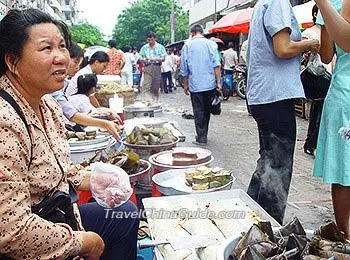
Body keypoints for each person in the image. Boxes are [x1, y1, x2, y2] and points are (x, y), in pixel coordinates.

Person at [0, 8, 138, 259]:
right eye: (46, 48)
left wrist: (96, 180)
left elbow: (58, 168)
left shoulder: (49, 105)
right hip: (24, 237)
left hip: (59, 214)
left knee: (125, 213)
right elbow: (10, 229)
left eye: (62, 46)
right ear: (12, 61)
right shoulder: (5, 120)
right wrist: (81, 242)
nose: (61, 58)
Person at [246, 0, 319, 224]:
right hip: (274, 95)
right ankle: (267, 231)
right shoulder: (277, 2)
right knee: (278, 167)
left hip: (264, 94)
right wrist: (310, 43)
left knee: (268, 162)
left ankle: (250, 222)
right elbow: (283, 48)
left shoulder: (264, 3)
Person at [312, 0, 350, 238]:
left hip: (345, 93)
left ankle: (345, 235)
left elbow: (327, 55)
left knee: (343, 169)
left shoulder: (333, 3)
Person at [51, 42, 122, 139]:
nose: (77, 67)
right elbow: (72, 114)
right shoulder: (56, 87)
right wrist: (104, 123)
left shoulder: (65, 83)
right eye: (75, 62)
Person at [180, 24, 221, 146]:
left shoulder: (187, 45)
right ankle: (204, 134)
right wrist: (218, 82)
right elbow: (216, 65)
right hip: (210, 84)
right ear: (201, 32)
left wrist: (185, 85)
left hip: (195, 85)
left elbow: (184, 68)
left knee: (198, 111)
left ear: (192, 33)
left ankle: (201, 137)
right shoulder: (211, 44)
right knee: (207, 110)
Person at [302, 5, 333, 156]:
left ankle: (313, 142)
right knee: (317, 111)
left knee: (320, 111)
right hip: (317, 76)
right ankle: (311, 143)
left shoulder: (333, 28)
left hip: (332, 75)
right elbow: (304, 57)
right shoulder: (309, 33)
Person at [139, 32, 166, 104]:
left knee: (155, 86)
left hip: (157, 67)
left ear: (155, 39)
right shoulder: (144, 48)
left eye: (152, 40)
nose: (150, 41)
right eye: (149, 40)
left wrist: (155, 59)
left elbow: (163, 58)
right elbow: (140, 58)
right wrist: (143, 60)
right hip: (147, 67)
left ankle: (155, 102)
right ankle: (148, 101)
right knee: (146, 85)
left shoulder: (160, 47)